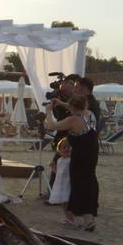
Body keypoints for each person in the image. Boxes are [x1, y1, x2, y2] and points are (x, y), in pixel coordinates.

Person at [44, 95, 99, 231]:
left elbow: (52, 125)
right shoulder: (88, 114)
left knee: (79, 187)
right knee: (87, 185)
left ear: (73, 107)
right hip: (90, 156)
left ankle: (88, 220)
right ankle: (89, 219)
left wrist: (48, 111)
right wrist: (62, 103)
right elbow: (74, 106)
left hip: (80, 158)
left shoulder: (73, 119)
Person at [48, 138, 72, 216]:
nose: (66, 149)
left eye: (68, 147)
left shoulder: (71, 160)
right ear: (59, 150)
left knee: (68, 202)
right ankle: (68, 217)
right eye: (64, 147)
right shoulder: (60, 160)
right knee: (62, 203)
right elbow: (58, 173)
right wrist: (53, 167)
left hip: (68, 184)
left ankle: (71, 217)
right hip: (60, 184)